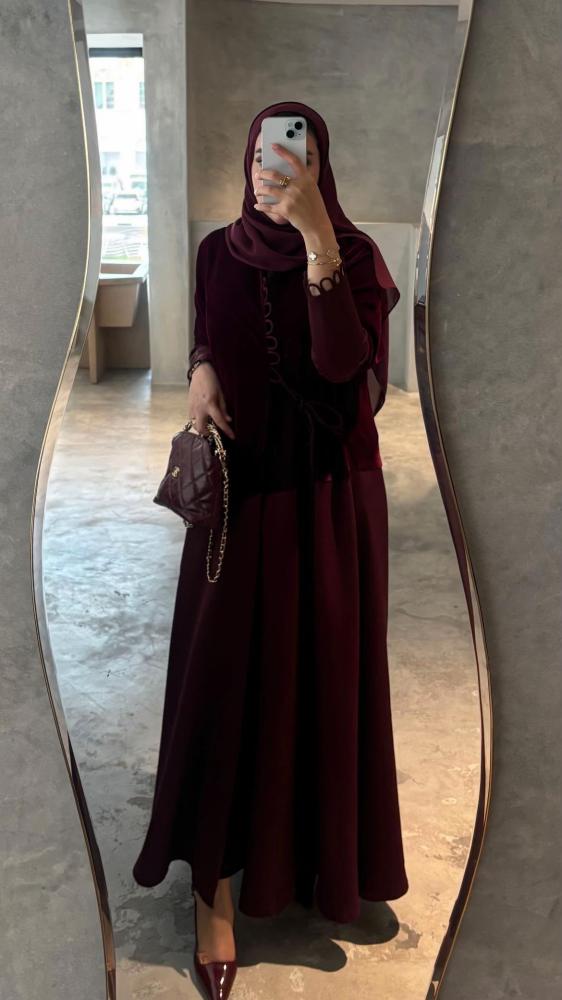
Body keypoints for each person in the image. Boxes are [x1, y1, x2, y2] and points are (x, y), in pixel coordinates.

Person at [132, 100, 408, 999]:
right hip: (239, 503)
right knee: (221, 681)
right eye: (261, 151)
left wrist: (319, 238)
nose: (273, 166)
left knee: (316, 678)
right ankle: (212, 895)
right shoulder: (218, 250)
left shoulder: (358, 259)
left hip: (327, 504)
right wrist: (199, 368)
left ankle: (309, 863)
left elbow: (342, 370)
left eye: (297, 152)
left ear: (322, 166)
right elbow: (208, 330)